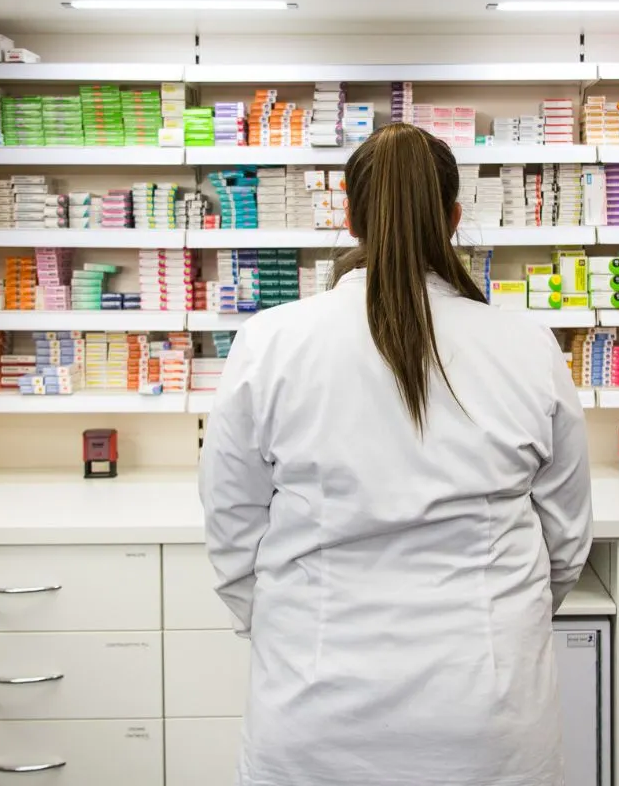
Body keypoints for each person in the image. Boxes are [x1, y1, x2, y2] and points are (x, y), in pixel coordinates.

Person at [200, 122, 593, 786]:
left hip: (313, 710)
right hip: (485, 717)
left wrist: (292, 634)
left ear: (349, 218)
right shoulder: (527, 346)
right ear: (453, 218)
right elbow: (564, 541)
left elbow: (233, 535)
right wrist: (504, 625)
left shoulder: (269, 343)